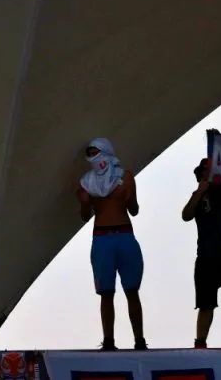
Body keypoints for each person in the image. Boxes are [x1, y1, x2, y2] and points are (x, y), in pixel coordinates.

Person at [76, 137, 146, 351]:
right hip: (102, 238)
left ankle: (139, 341)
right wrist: (85, 204)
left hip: (124, 234)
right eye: (89, 152)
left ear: (106, 151)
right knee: (106, 293)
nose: (92, 156)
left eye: (95, 151)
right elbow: (84, 216)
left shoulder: (124, 177)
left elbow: (134, 210)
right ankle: (108, 342)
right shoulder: (87, 182)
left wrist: (128, 197)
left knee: (132, 290)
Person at [181, 158, 221, 353]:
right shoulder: (199, 195)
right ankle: (200, 345)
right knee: (205, 305)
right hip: (207, 256)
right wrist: (201, 191)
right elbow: (186, 215)